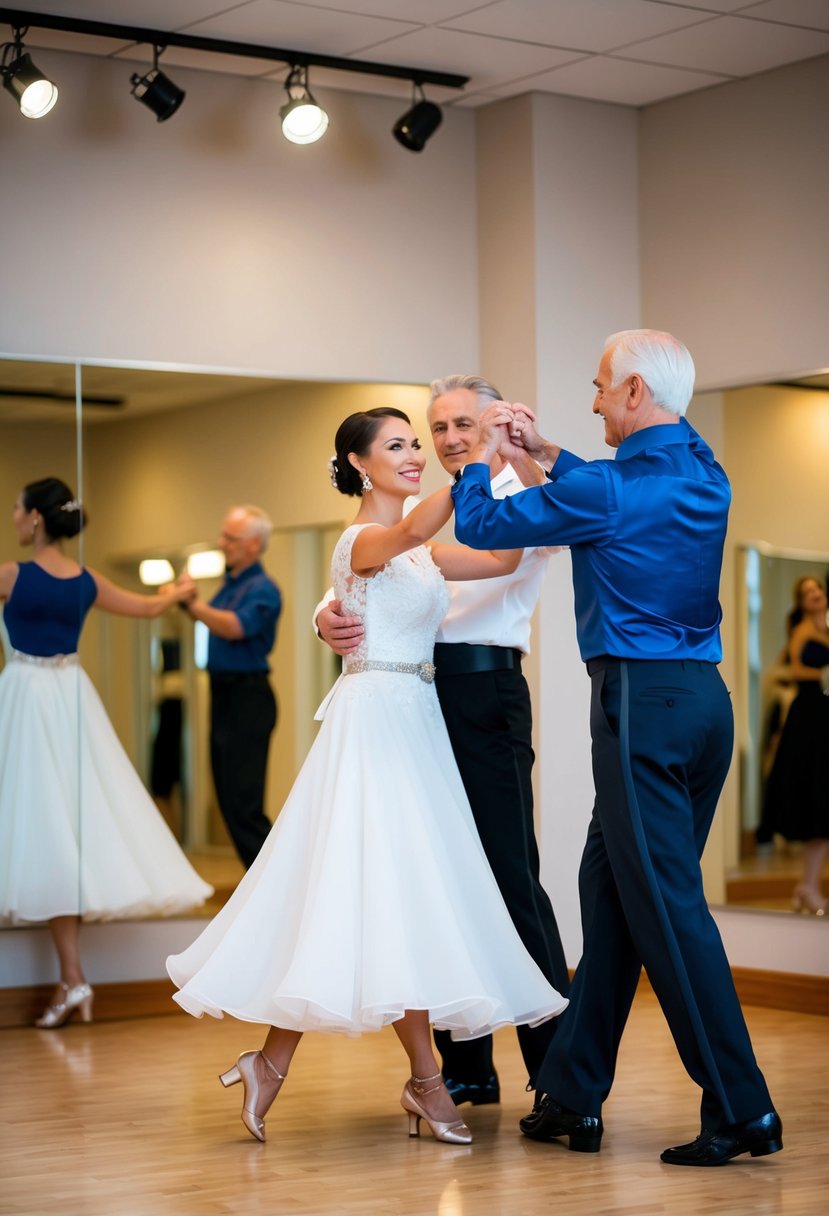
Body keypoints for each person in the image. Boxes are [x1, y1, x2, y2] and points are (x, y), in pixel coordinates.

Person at [167, 408, 567, 1146]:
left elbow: (501, 561)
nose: (416, 454)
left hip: (414, 720)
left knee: (395, 897)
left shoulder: (418, 552)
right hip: (374, 717)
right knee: (376, 891)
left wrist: (515, 472)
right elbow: (410, 532)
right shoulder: (365, 540)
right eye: (398, 445)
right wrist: (473, 460)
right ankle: (420, 1083)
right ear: (356, 463)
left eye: (415, 444)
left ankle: (303, 1068)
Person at [452, 329, 782, 1167]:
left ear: (633, 393)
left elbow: (487, 524)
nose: (593, 400)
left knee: (667, 915)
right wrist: (542, 448)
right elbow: (607, 481)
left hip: (637, 707)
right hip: (704, 708)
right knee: (610, 893)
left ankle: (742, 1109)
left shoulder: (606, 491)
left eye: (601, 388)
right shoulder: (705, 468)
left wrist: (476, 456)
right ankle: (569, 1093)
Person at [316, 375, 570, 1109]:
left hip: (484, 690)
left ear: (493, 424)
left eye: (465, 423)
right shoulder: (423, 511)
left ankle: (557, 1074)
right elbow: (374, 570)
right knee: (437, 877)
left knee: (506, 876)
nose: (449, 439)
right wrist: (324, 618)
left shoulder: (516, 486)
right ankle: (465, 1068)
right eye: (437, 429)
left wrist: (510, 460)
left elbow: (516, 548)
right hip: (412, 699)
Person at [0, 478, 213, 1028]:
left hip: (26, 692)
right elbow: (146, 608)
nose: (16, 520)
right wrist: (179, 593)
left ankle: (73, 980)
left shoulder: (12, 576)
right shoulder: (87, 580)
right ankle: (73, 980)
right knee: (61, 820)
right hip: (71, 697)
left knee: (41, 820)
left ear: (35, 520)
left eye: (18, 511)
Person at [178, 505, 282, 868]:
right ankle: (261, 886)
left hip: (248, 698)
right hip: (223, 695)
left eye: (231, 538)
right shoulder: (230, 584)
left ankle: (276, 883)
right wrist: (189, 603)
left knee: (244, 805)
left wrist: (193, 605)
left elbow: (235, 626)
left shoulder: (263, 589)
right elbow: (214, 618)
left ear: (254, 545)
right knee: (227, 801)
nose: (223, 543)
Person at [759, 574, 829, 914]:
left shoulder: (825, 631)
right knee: (817, 802)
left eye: (817, 589)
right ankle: (808, 886)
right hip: (810, 721)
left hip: (825, 717)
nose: (814, 594)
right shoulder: (801, 631)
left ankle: (808, 885)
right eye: (806, 592)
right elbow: (795, 671)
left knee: (823, 808)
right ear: (800, 602)